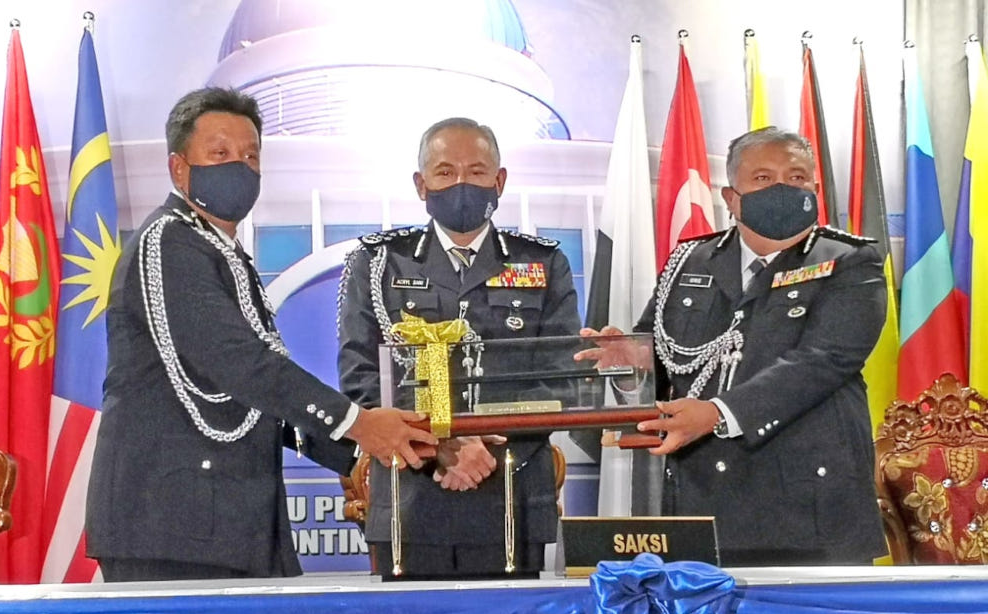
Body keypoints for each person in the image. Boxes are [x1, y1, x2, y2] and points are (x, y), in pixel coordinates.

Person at [85, 87, 437, 582]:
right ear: (179, 168)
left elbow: (263, 405)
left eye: (251, 156)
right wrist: (361, 425)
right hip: (171, 524)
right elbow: (239, 363)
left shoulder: (225, 255)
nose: (241, 167)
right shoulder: (170, 241)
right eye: (221, 153)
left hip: (229, 525)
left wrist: (396, 446)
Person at [582, 126, 887, 566]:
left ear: (815, 189)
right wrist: (633, 359)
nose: (783, 187)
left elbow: (823, 361)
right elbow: (665, 348)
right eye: (763, 178)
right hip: (703, 499)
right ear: (731, 197)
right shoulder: (691, 259)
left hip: (809, 506)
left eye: (797, 177)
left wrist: (718, 414)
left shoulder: (849, 260)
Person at [337, 117, 581, 578]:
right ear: (421, 184)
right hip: (410, 496)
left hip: (509, 488)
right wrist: (441, 449)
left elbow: (559, 379)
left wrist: (479, 446)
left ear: (500, 180)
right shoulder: (377, 263)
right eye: (446, 172)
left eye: (477, 170)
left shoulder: (544, 263)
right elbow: (361, 377)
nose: (462, 183)